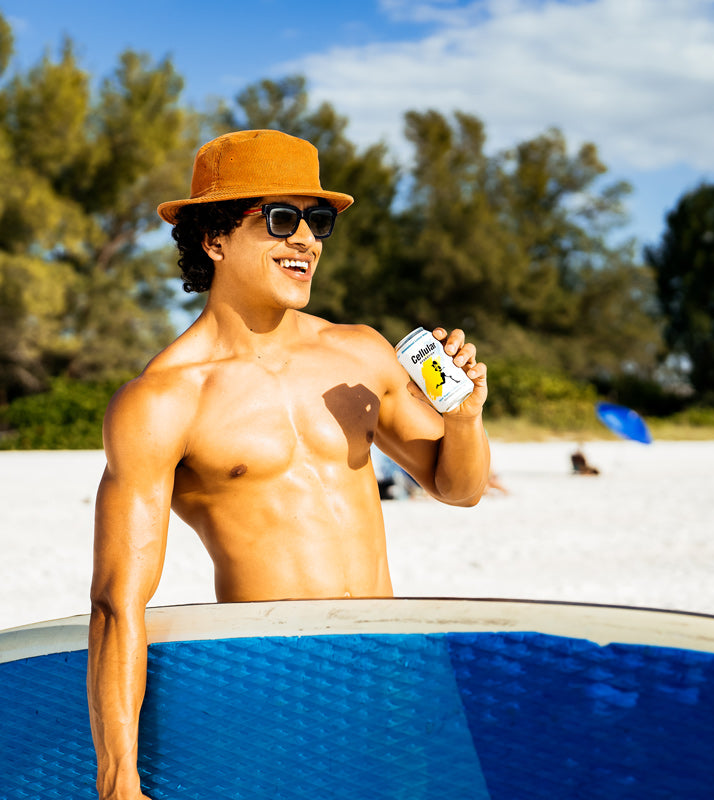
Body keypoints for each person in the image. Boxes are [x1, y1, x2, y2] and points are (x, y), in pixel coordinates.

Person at [87, 129, 490, 800]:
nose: (307, 239)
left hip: (396, 677)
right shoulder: (162, 401)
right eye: (281, 218)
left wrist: (466, 417)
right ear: (215, 238)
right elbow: (116, 603)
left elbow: (459, 488)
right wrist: (118, 778)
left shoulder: (360, 354)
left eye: (318, 220)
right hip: (275, 690)